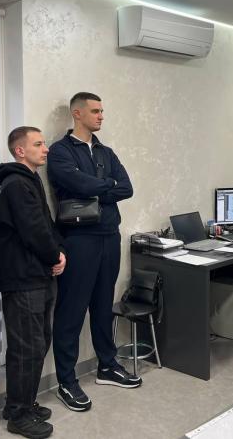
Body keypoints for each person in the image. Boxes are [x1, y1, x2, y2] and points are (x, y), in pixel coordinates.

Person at [48, 92, 137, 412]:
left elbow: (127, 188)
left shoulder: (105, 151)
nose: (101, 116)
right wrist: (106, 185)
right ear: (77, 113)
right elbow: (79, 185)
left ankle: (107, 366)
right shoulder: (59, 151)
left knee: (102, 306)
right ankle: (66, 381)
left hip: (109, 237)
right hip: (78, 238)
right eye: (95, 111)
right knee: (71, 311)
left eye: (102, 111)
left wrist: (97, 185)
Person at [0, 127, 67, 439]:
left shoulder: (30, 180)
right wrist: (54, 255)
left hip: (38, 274)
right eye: (38, 144)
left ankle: (20, 404)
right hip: (23, 280)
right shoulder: (16, 184)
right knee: (27, 347)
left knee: (38, 342)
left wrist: (58, 252)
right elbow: (33, 230)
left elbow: (46, 225)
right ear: (20, 151)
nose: (45, 148)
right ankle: (19, 415)